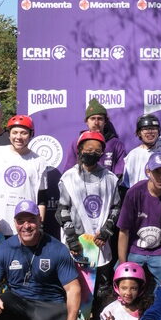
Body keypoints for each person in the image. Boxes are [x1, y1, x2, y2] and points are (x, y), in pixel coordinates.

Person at [56, 131, 121, 305]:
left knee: (101, 290)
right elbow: (62, 210)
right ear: (80, 150)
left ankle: (99, 319)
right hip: (76, 244)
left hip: (100, 243)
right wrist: (71, 238)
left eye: (97, 150)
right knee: (75, 288)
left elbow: (116, 207)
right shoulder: (68, 178)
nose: (92, 153)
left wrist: (107, 230)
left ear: (102, 153)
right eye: (88, 149)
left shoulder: (110, 178)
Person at [117, 152, 161, 285]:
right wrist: (122, 265)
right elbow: (123, 231)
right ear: (148, 171)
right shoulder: (134, 193)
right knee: (124, 282)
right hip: (135, 249)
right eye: (157, 171)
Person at [0, 114, 48, 236]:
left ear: (31, 134)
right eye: (14, 132)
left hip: (25, 226)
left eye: (24, 133)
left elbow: (41, 197)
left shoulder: (39, 161)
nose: (18, 137)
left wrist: (39, 224)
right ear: (9, 134)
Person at [62, 98, 127, 177]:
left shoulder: (115, 144)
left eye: (100, 119)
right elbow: (68, 170)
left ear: (105, 122)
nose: (96, 123)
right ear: (87, 121)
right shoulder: (78, 142)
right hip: (82, 183)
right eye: (92, 118)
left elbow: (120, 173)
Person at [122, 114, 161, 189]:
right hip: (140, 195)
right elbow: (126, 185)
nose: (150, 132)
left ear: (159, 131)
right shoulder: (132, 156)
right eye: (146, 129)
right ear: (139, 133)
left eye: (154, 128)